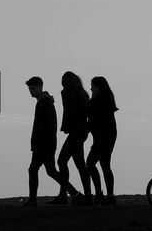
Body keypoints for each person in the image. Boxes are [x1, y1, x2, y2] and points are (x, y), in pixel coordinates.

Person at [24, 76, 77, 206]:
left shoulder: (44, 103)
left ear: (40, 87)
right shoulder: (45, 101)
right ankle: (74, 193)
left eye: (33, 88)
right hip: (47, 144)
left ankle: (32, 200)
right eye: (30, 88)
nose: (31, 91)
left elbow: (44, 126)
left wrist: (37, 144)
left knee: (34, 169)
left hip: (43, 144)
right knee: (50, 171)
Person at [52, 71, 91, 205]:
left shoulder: (71, 94)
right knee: (79, 164)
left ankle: (67, 195)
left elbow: (71, 113)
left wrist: (66, 126)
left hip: (76, 132)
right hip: (81, 132)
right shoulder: (83, 94)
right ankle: (86, 195)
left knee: (63, 161)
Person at [85, 76, 118, 206]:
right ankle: (110, 195)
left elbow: (92, 121)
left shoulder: (96, 102)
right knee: (105, 166)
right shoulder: (108, 101)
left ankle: (99, 194)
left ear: (98, 87)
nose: (91, 88)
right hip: (109, 137)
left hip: (100, 139)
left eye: (92, 85)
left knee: (90, 164)